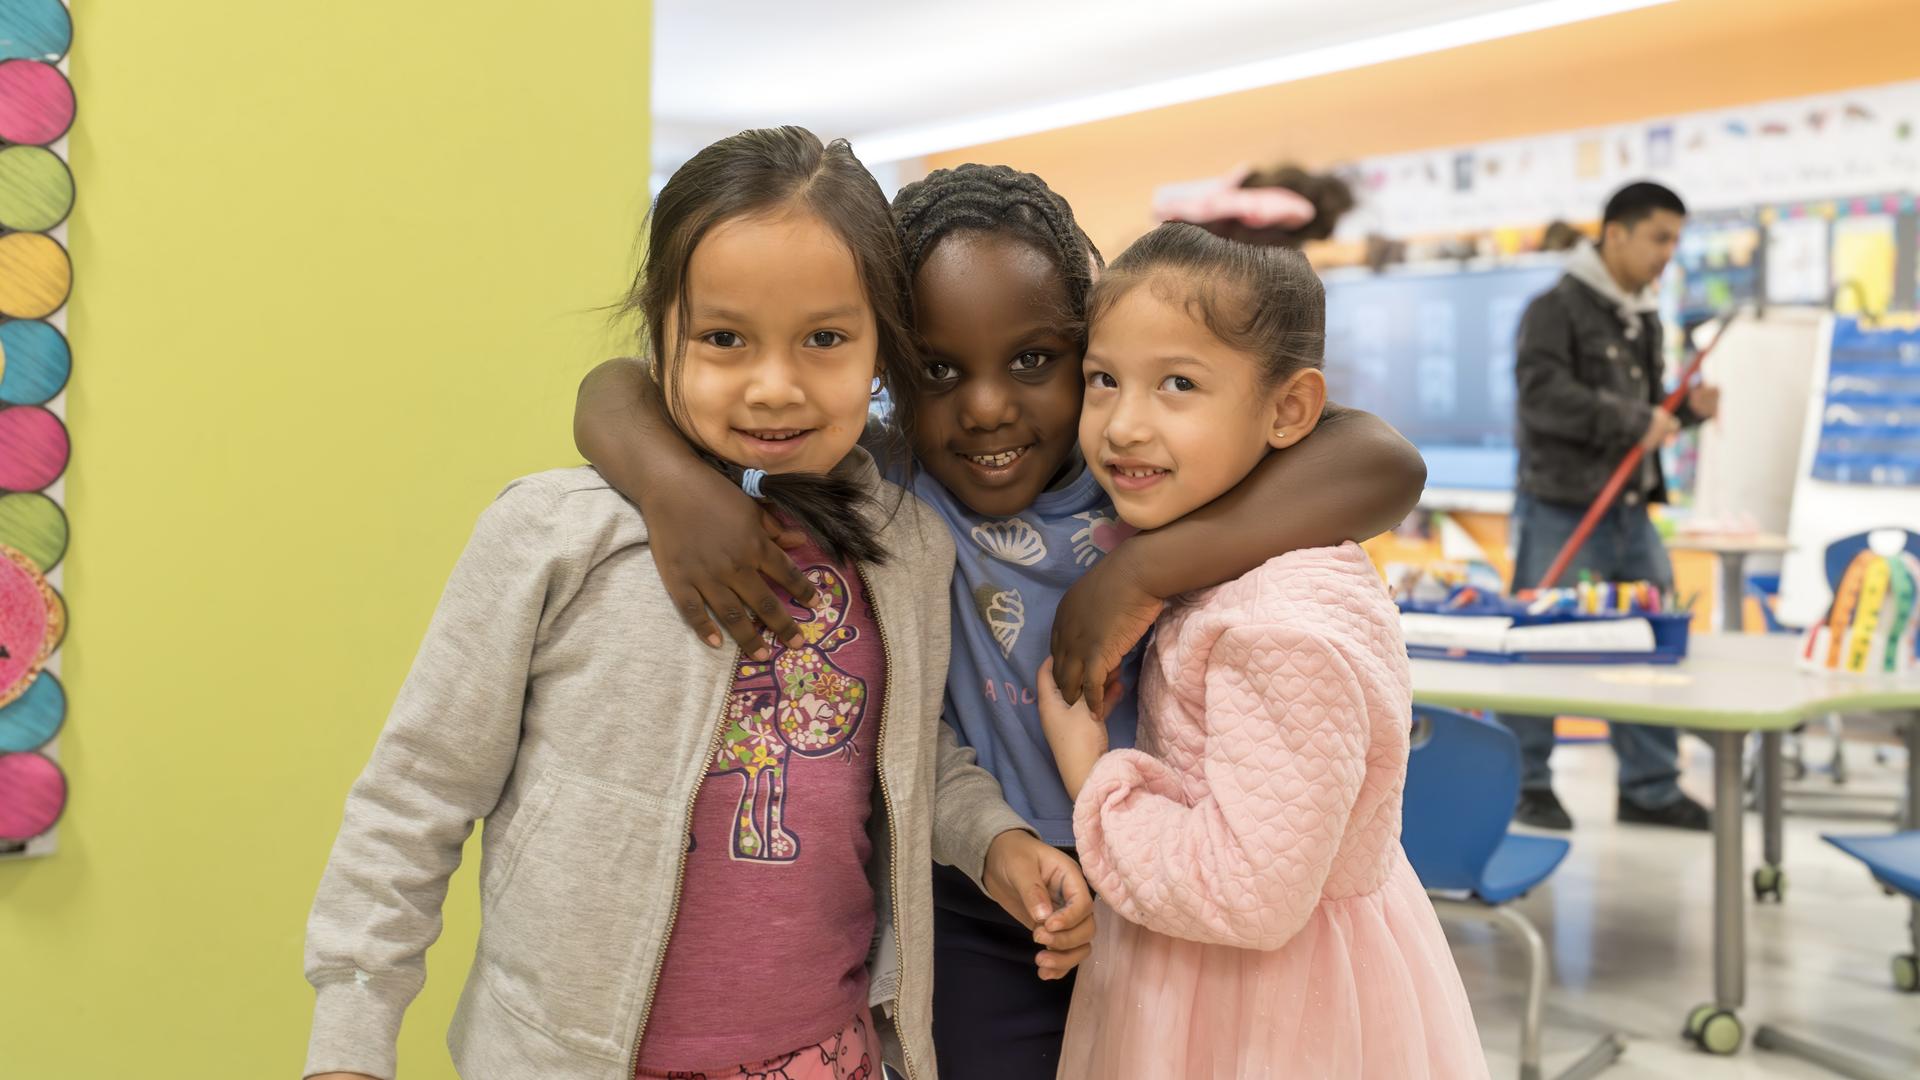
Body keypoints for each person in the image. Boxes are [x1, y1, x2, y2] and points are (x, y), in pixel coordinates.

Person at [572, 163, 1429, 1080]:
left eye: (1035, 360)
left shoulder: (1140, 465)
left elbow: (1382, 461)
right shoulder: (886, 481)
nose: (985, 406)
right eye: (937, 369)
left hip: (1173, 886)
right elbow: (612, 388)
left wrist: (1144, 567)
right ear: (889, 365)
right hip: (975, 894)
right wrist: (674, 492)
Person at [302, 128, 1087, 1080]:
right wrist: (350, 1036)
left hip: (829, 1057)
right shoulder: (554, 536)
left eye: (826, 339)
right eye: (723, 339)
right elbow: (416, 794)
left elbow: (909, 752)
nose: (773, 384)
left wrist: (992, 837)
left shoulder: (905, 545)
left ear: (885, 346)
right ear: (659, 326)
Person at [1039, 222, 1486, 1078]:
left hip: (1263, 1006)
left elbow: (1246, 892)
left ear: (1288, 410)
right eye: (1104, 380)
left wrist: (1092, 777)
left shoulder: (1276, 625)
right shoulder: (1236, 556)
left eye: (1178, 384)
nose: (1124, 424)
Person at [1504, 181, 1720, 831]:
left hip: (1630, 509)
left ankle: (1650, 788)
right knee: (1538, 642)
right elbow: (1542, 401)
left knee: (1654, 643)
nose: (1668, 254)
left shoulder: (1642, 314)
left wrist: (1685, 413)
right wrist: (1636, 420)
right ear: (1616, 234)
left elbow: (1649, 411)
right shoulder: (1555, 308)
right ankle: (1527, 783)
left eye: (1676, 240)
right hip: (1563, 506)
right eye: (1660, 238)